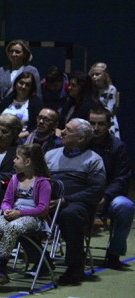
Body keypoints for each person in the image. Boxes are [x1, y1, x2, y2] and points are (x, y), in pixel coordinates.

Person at [0, 144, 52, 287]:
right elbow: (6, 201)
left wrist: (20, 213)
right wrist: (6, 210)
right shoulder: (15, 179)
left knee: (12, 228)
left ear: (28, 161)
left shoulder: (43, 182)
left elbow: (43, 209)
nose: (13, 161)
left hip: (35, 219)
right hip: (14, 215)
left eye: (17, 158)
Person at [44, 119, 106, 286]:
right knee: (19, 211)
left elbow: (95, 191)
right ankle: (40, 260)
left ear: (80, 138)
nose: (62, 131)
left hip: (78, 205)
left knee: (69, 214)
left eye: (68, 130)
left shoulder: (94, 160)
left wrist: (65, 200)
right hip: (49, 203)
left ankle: (74, 267)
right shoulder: (50, 156)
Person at [88, 106, 132, 270]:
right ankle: (74, 255)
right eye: (92, 123)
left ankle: (114, 254)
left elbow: (122, 179)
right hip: (84, 195)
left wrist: (105, 196)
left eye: (101, 124)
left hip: (109, 197)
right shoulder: (81, 143)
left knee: (125, 206)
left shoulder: (118, 147)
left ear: (109, 125)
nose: (96, 128)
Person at [0, 40, 41, 107]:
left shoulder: (32, 71)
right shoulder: (1, 71)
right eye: (11, 51)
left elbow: (37, 94)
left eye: (17, 52)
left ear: (25, 54)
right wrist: (0, 106)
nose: (13, 54)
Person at [89, 62, 120, 137]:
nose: (94, 77)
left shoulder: (111, 89)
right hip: (92, 118)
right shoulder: (91, 90)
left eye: (97, 74)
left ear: (104, 76)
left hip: (106, 119)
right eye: (92, 75)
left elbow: (109, 109)